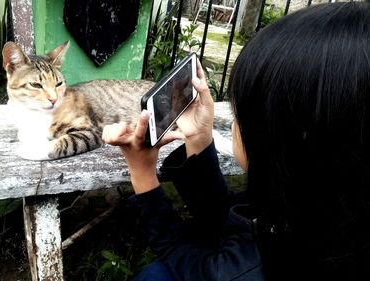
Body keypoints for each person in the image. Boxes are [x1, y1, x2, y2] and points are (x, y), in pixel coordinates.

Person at [102, 2, 370, 280]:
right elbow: (224, 220)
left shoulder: (246, 270)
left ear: (286, 142)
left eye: (240, 112)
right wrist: (200, 137)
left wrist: (143, 173)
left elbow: (185, 257)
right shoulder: (323, 204)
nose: (233, 122)